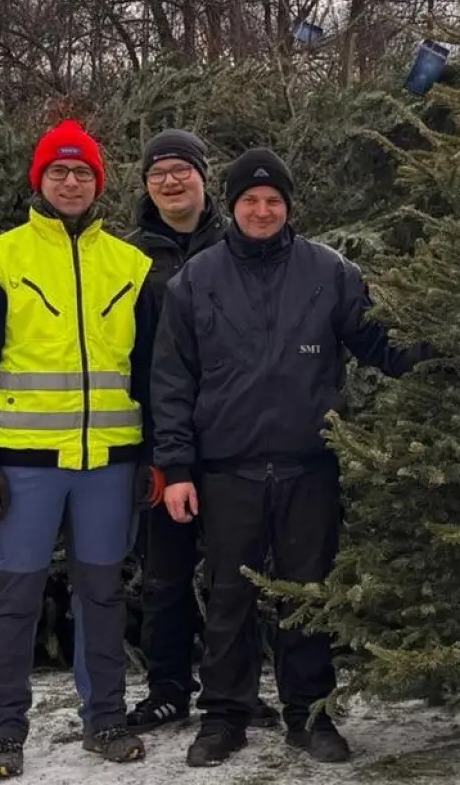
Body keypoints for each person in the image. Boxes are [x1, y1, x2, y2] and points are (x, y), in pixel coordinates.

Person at [152, 147, 427, 767]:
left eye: (273, 200)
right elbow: (171, 381)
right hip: (227, 468)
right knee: (229, 598)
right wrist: (177, 469)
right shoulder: (196, 279)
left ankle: (310, 713)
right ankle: (224, 717)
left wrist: (449, 345)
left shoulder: (329, 271)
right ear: (231, 206)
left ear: (288, 206)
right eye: (250, 200)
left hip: (309, 464)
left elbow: (380, 343)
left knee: (309, 594)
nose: (262, 210)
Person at [0, 119, 157, 779]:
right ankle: (3, 731)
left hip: (110, 463)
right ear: (37, 180)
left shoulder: (131, 266)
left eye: (83, 172)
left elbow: (151, 372)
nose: (71, 182)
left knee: (103, 596)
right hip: (23, 465)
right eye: (58, 171)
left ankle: (106, 719)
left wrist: (156, 455)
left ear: (100, 182)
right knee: (14, 600)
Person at [124, 129, 281, 734]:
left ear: (202, 176)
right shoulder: (129, 257)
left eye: (181, 169)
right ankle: (167, 687)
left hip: (232, 439)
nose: (170, 181)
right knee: (164, 572)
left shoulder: (238, 243)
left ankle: (237, 687)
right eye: (157, 172)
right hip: (158, 438)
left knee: (235, 573)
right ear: (146, 185)